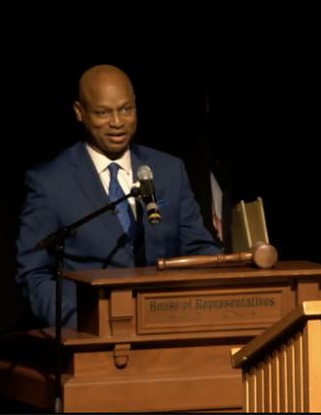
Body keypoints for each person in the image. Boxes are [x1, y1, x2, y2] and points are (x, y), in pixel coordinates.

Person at [15, 64, 222, 328]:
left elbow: (199, 250)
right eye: (103, 112)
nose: (117, 122)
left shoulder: (169, 171)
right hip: (89, 335)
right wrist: (82, 324)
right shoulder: (50, 183)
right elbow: (33, 274)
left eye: (126, 109)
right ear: (79, 112)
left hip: (168, 328)